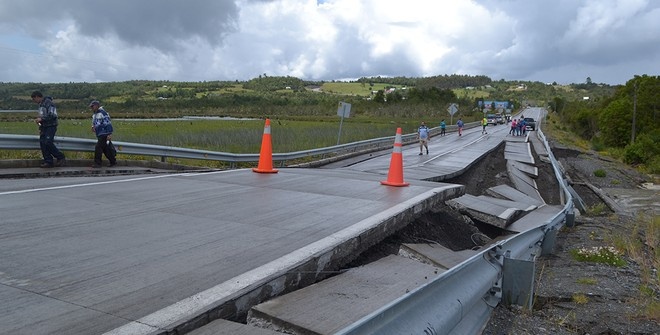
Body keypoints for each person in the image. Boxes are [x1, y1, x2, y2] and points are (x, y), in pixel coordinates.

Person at [31, 91, 66, 168]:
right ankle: (48, 161)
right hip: (44, 127)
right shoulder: (41, 105)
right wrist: (40, 124)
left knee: (48, 142)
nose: (34, 101)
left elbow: (53, 115)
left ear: (37, 97)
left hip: (51, 126)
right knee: (42, 143)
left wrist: (41, 119)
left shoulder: (49, 103)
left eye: (34, 99)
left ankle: (60, 157)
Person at [89, 100, 117, 168]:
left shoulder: (103, 113)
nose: (92, 108)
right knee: (105, 149)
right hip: (100, 134)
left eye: (93, 106)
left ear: (97, 106)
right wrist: (93, 127)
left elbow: (108, 123)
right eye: (91, 107)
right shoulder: (95, 114)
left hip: (104, 133)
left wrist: (109, 134)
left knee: (98, 147)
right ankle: (113, 161)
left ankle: (98, 163)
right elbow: (95, 123)